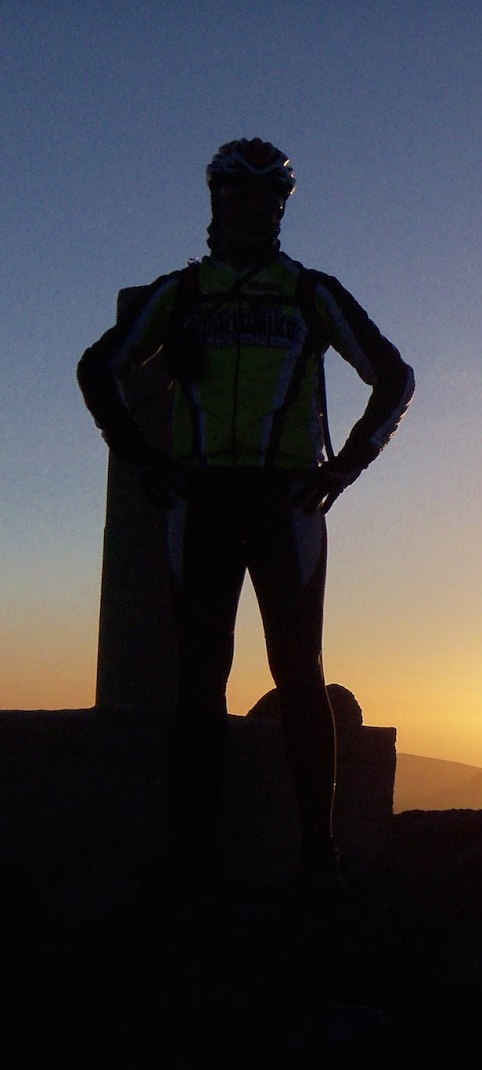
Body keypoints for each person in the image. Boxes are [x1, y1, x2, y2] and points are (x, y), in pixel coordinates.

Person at [78, 138, 415, 891]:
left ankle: (316, 853)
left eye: (268, 199)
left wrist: (349, 463)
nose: (253, 209)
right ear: (217, 203)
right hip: (199, 498)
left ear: (281, 209)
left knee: (299, 677)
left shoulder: (310, 293)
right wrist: (140, 456)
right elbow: (96, 367)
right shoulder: (183, 294)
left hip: (284, 499)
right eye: (240, 196)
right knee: (201, 680)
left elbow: (394, 375)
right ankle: (194, 855)